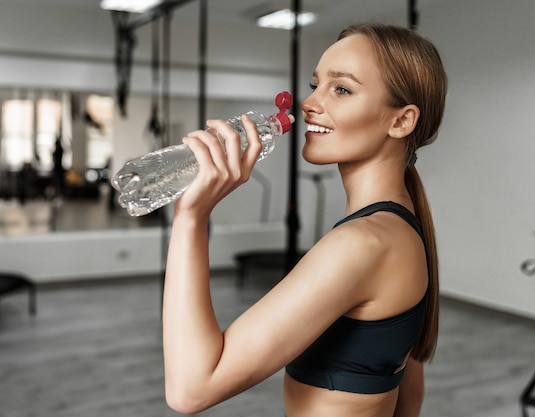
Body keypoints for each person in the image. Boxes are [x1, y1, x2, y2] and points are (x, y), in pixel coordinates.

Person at [162, 22, 446, 417]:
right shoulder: (402, 228)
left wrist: (191, 218)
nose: (309, 102)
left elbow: (190, 389)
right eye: (316, 84)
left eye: (341, 89)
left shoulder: (362, 243)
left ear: (401, 121)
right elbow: (410, 390)